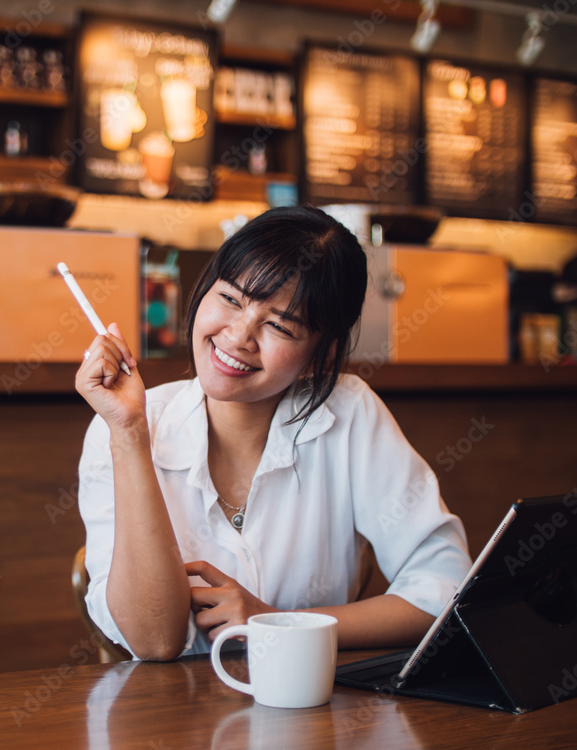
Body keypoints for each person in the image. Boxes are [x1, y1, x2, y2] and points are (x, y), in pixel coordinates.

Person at [74, 205, 471, 661]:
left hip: (313, 714)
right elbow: (155, 640)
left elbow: (446, 594)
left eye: (280, 325)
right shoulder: (126, 422)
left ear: (322, 354)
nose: (239, 336)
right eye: (230, 299)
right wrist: (129, 432)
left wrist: (279, 624)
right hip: (169, 721)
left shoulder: (349, 413)